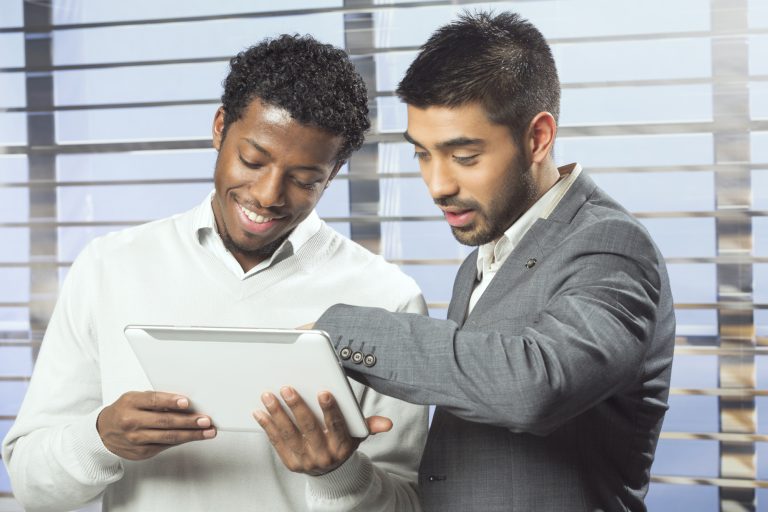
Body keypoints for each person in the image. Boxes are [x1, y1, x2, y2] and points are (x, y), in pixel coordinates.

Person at [269, 11, 675, 512]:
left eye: (463, 156)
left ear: (538, 138)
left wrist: (340, 332)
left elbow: (536, 385)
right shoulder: (487, 255)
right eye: (422, 154)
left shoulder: (611, 244)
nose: (438, 185)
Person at [2, 35, 428, 512]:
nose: (268, 195)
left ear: (333, 173)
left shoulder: (388, 298)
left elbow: (407, 505)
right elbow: (33, 486)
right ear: (220, 128)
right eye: (253, 160)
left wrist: (338, 474)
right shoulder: (109, 266)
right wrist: (102, 439)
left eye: (304, 179)